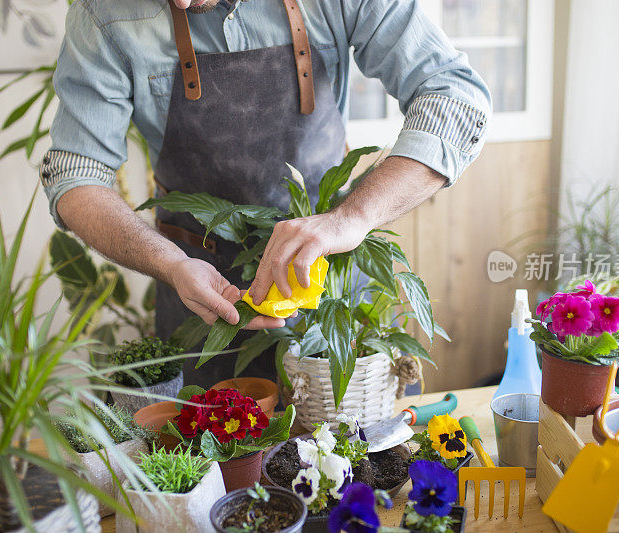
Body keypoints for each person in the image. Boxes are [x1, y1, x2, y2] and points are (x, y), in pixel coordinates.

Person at [40, 0, 491, 387]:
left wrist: (351, 217)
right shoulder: (102, 14)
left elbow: (455, 95)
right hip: (200, 304)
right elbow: (76, 174)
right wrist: (172, 263)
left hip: (333, 292)